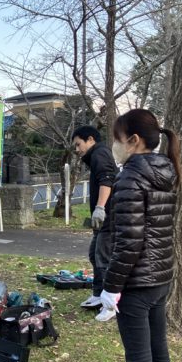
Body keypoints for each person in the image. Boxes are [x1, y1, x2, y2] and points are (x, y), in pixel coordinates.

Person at [96, 108, 181, 362]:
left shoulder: (131, 177)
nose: (113, 146)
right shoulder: (166, 170)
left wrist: (110, 288)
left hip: (136, 283)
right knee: (158, 354)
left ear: (133, 140)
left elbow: (128, 243)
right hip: (160, 278)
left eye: (116, 139)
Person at [72, 125, 117, 322]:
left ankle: (111, 304)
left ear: (90, 139)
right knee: (94, 255)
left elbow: (107, 180)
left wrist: (100, 208)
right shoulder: (95, 156)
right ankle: (98, 294)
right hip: (101, 221)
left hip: (109, 217)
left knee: (104, 258)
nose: (77, 149)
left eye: (78, 144)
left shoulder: (100, 153)